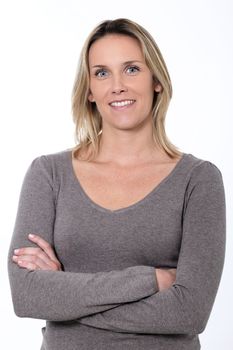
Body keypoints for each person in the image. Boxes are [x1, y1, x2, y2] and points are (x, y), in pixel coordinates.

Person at [8, 18, 226, 350]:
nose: (117, 85)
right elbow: (27, 297)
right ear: (90, 91)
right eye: (102, 73)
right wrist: (150, 279)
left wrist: (63, 295)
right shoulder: (48, 174)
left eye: (132, 69)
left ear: (156, 80)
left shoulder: (198, 180)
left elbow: (189, 312)